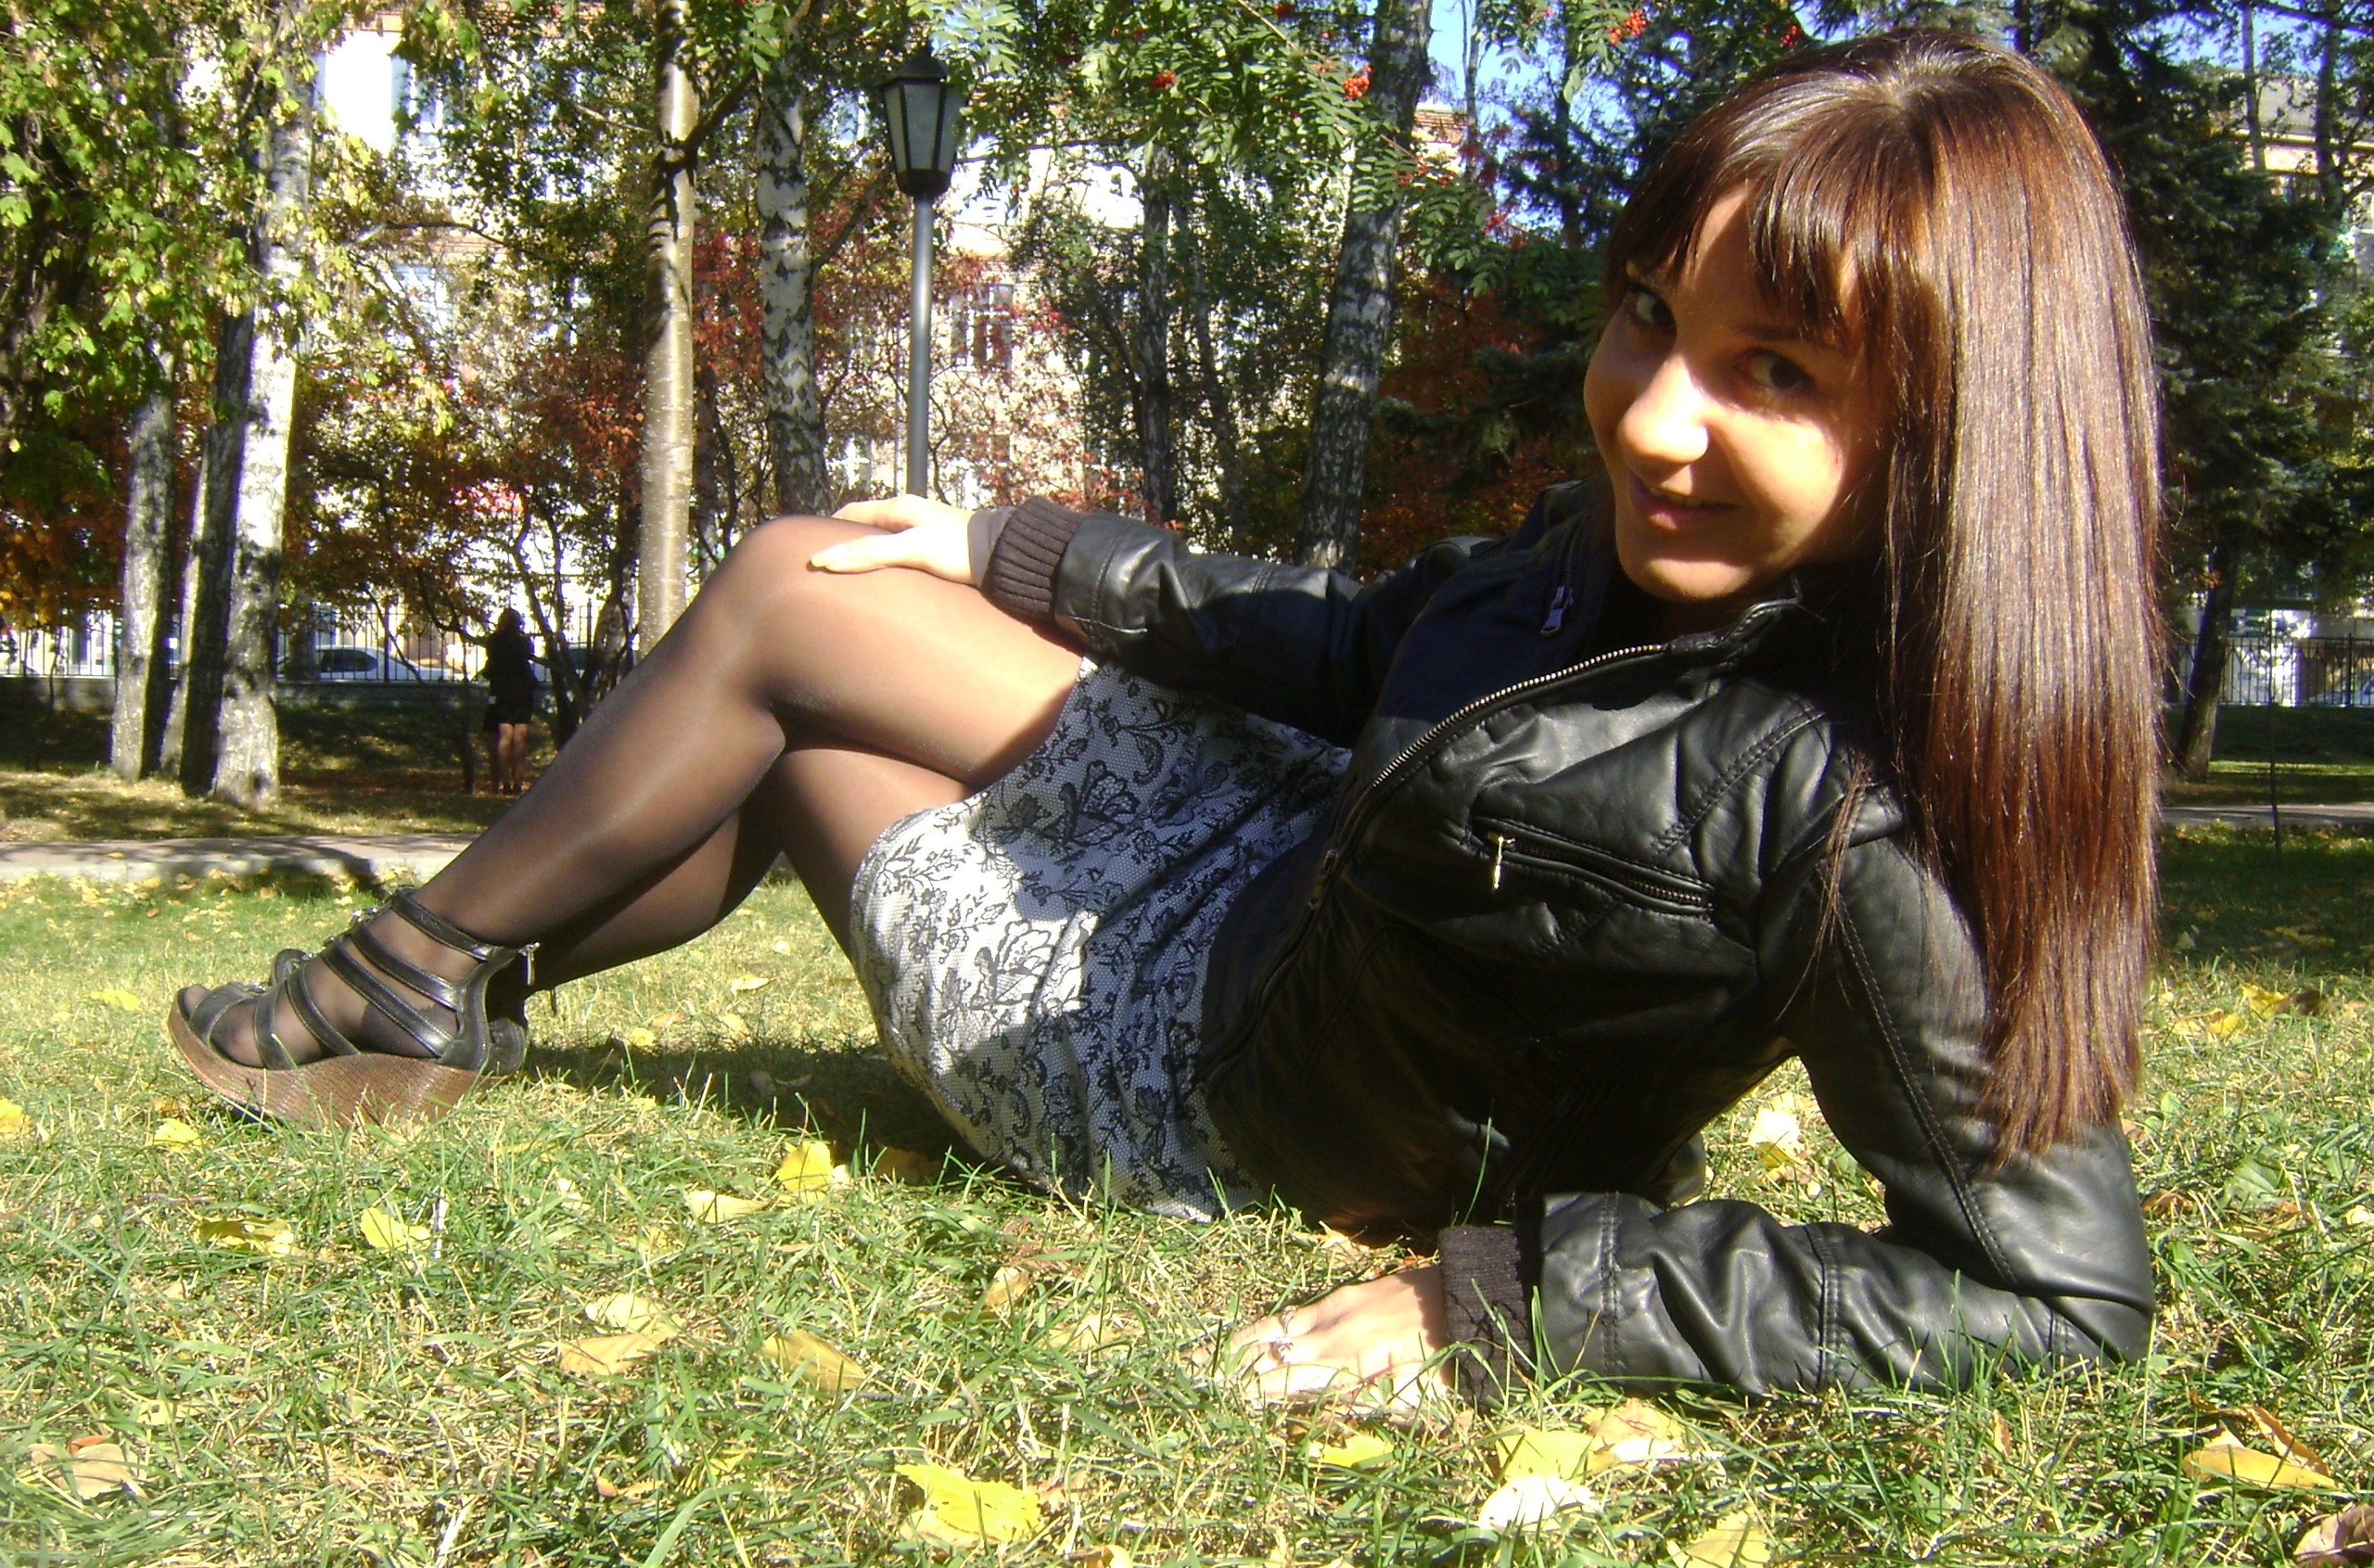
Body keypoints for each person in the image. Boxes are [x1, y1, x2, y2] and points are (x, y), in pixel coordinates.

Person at [165, 32, 2161, 1405]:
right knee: (812, 577)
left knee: (801, 737)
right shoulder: (1610, 555)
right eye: (1650, 314)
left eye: (1775, 371)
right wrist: (1009, 545)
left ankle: (414, 987)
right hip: (1271, 867)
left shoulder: (1872, 804)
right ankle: (435, 986)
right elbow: (1348, 644)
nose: (1653, 418)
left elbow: (2048, 1297)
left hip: (1194, 1093)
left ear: (1963, 422)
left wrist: (1499, 1298)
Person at [481, 608, 540, 795]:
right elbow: (529, 657)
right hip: (523, 692)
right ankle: (518, 783)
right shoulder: (524, 642)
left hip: (502, 692)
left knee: (504, 737)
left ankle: (505, 782)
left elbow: (490, 667)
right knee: (520, 737)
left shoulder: (494, 641)